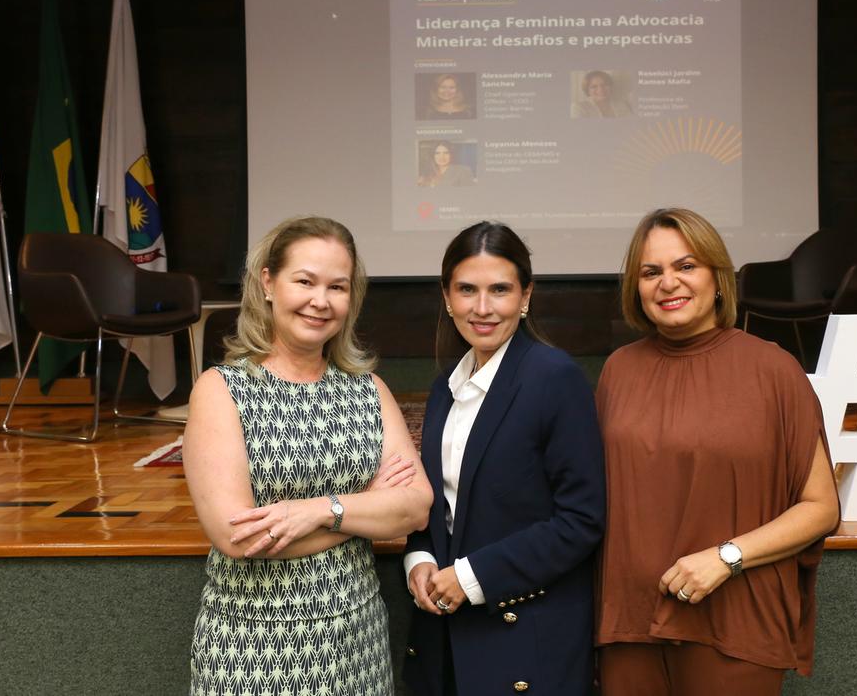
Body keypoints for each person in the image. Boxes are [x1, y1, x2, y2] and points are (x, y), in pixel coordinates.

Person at [183, 216, 433, 696]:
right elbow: (239, 537)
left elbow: (415, 507)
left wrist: (319, 510)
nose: (321, 301)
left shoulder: (369, 390)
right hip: (254, 649)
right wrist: (365, 508)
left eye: (337, 287)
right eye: (305, 281)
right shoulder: (221, 390)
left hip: (356, 643)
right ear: (268, 282)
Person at [595, 208, 839, 695]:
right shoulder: (617, 371)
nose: (668, 283)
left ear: (718, 278)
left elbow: (821, 509)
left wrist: (726, 558)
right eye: (651, 272)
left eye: (686, 266)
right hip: (629, 625)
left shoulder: (773, 370)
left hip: (733, 622)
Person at [402, 222, 606, 696]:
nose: (483, 308)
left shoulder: (554, 377)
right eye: (467, 290)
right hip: (446, 639)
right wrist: (419, 558)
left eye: (500, 290)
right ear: (447, 298)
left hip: (527, 639)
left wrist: (473, 577)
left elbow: (582, 521)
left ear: (526, 295)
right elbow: (440, 503)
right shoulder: (444, 387)